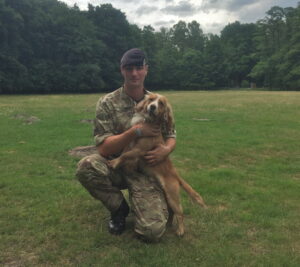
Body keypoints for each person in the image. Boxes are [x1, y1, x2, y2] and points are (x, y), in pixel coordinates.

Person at [76, 48, 176, 242]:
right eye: (128, 68)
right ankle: (119, 209)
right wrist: (136, 132)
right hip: (117, 165)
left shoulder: (159, 101)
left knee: (152, 232)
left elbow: (171, 134)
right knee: (86, 166)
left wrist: (166, 149)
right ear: (121, 70)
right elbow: (104, 148)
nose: (134, 73)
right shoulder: (107, 102)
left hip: (146, 171)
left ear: (146, 69)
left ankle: (153, 201)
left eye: (139, 67)